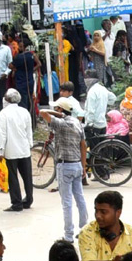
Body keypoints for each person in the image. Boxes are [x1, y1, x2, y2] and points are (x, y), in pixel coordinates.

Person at [39, 101, 88, 241]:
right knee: (80, 198)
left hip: (65, 166)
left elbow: (42, 113)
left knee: (67, 202)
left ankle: (68, 235)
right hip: (77, 164)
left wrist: (58, 114)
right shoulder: (77, 123)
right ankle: (84, 229)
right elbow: (83, 145)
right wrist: (83, 166)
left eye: (57, 107)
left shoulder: (60, 123)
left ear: (61, 109)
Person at [0, 89, 34, 212]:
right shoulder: (24, 112)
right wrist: (30, 144)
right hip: (24, 149)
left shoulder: (4, 113)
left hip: (10, 150)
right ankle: (28, 200)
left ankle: (17, 203)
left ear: (6, 100)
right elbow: (29, 130)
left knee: (13, 178)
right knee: (27, 177)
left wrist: (1, 151)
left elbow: (2, 134)